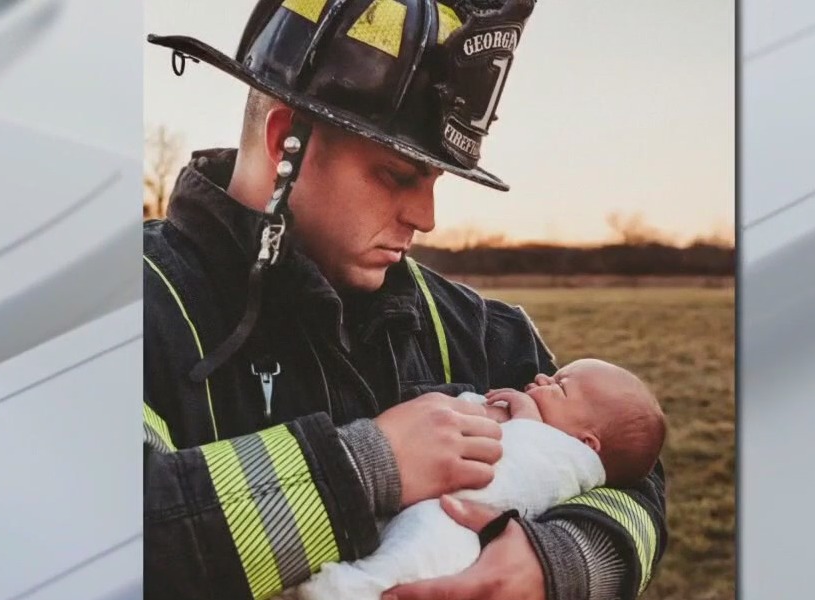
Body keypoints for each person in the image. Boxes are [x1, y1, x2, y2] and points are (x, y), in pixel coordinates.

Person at [143, 1, 667, 599]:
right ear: (286, 139)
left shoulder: (477, 328)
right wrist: (370, 467)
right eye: (397, 175)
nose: (427, 218)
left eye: (435, 181)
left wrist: (559, 564)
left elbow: (633, 470)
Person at [294, 359, 667, 600]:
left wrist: (562, 562)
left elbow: (641, 491)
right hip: (450, 522)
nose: (539, 377)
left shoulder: (566, 456)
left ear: (587, 443)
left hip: (457, 531)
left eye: (560, 386)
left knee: (409, 562)